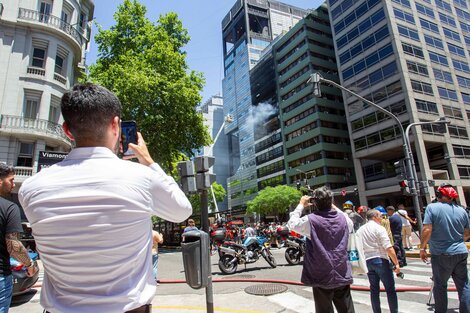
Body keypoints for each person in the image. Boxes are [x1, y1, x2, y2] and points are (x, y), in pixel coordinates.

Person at [18, 83, 192, 313]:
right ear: (115, 124)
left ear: (67, 130)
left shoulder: (30, 189)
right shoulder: (141, 177)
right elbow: (182, 210)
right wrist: (149, 162)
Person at [288, 186, 355, 313]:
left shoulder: (311, 220)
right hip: (341, 270)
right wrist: (331, 204)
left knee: (324, 310)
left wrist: (301, 205)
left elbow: (292, 224)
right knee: (347, 309)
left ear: (315, 203)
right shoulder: (345, 219)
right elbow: (345, 218)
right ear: (331, 201)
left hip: (321, 273)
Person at [420, 183, 470, 313]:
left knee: (440, 286)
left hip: (441, 254)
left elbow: (427, 229)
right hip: (461, 252)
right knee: (464, 286)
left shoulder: (432, 208)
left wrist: (422, 248)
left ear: (439, 195)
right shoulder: (462, 210)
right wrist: (457, 242)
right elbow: (467, 233)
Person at [0, 164, 37, 313]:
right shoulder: (8, 207)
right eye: (11, 180)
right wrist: (29, 265)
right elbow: (13, 244)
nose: (13, 184)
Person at [357, 209, 401, 313]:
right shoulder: (379, 228)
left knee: (374, 290)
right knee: (390, 289)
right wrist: (396, 263)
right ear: (375, 216)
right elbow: (388, 247)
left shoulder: (360, 230)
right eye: (380, 216)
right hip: (380, 259)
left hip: (368, 261)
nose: (382, 218)